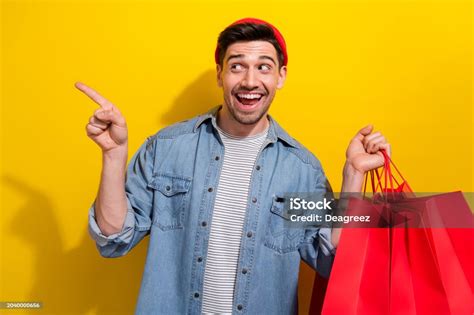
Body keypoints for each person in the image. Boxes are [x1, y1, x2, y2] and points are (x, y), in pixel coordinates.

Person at [76, 18, 391, 314]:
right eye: (237, 66)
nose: (250, 81)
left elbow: (332, 262)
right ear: (219, 74)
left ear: (280, 76)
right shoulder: (167, 148)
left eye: (263, 67)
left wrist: (353, 177)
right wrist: (114, 155)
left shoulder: (301, 171)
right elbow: (113, 238)